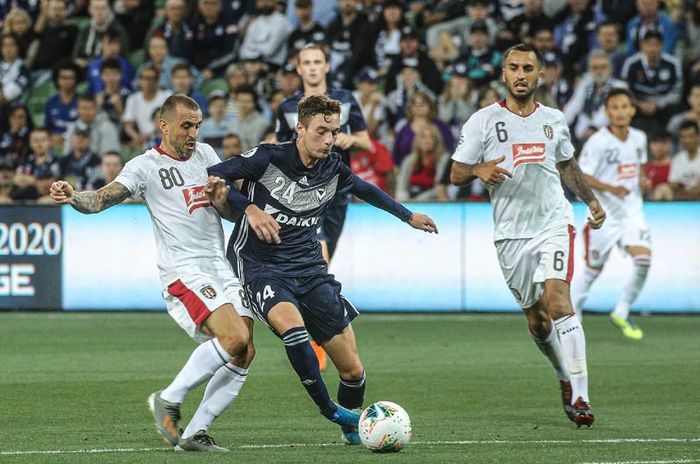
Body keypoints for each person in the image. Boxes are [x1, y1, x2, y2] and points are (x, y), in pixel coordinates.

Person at [207, 94, 438, 445]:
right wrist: (249, 209)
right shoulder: (269, 157)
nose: (329, 139)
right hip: (261, 266)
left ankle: (352, 430)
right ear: (300, 128)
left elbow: (366, 189)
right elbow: (214, 177)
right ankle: (329, 409)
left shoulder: (333, 167)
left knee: (353, 370)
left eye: (335, 131)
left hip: (311, 269)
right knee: (293, 329)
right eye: (321, 131)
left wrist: (408, 216)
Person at [49, 95, 255, 453]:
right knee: (234, 338)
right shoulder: (144, 167)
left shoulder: (207, 155)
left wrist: (223, 200)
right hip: (184, 271)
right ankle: (169, 398)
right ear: (164, 125)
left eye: (198, 125)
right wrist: (72, 196)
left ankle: (195, 432)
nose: (194, 133)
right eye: (186, 126)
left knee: (245, 350)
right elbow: (101, 199)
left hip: (221, 267)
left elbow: (229, 213)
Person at [450, 43, 606, 427]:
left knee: (558, 299)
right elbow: (455, 172)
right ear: (503, 74)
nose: (520, 74)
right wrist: (478, 170)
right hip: (511, 235)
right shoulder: (482, 121)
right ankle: (562, 376)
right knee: (538, 321)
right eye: (514, 67)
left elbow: (567, 164)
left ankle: (582, 394)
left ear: (541, 75)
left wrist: (591, 201)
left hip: (554, 222)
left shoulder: (553, 119)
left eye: (528, 68)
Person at [570, 88, 650, 341]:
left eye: (625, 106)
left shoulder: (639, 138)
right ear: (607, 112)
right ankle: (571, 317)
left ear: (632, 110)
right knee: (594, 269)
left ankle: (622, 310)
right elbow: (582, 175)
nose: (620, 112)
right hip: (603, 215)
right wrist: (611, 187)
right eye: (614, 107)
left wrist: (643, 181)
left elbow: (639, 168)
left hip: (631, 213)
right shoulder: (599, 142)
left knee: (643, 261)